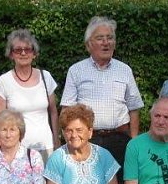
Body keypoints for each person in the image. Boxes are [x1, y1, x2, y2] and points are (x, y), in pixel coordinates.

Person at [60, 16, 144, 168]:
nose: (106, 42)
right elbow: (67, 110)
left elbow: (134, 108)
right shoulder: (76, 70)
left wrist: (134, 140)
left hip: (120, 139)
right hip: (87, 139)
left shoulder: (124, 70)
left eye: (110, 38)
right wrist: (70, 141)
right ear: (88, 45)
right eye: (100, 38)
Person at [0, 29, 59, 163]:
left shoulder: (45, 77)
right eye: (18, 50)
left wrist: (57, 140)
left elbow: (53, 112)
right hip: (16, 149)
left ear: (34, 53)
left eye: (27, 49)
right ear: (11, 54)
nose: (23, 53)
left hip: (46, 147)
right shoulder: (3, 81)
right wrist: (0, 148)